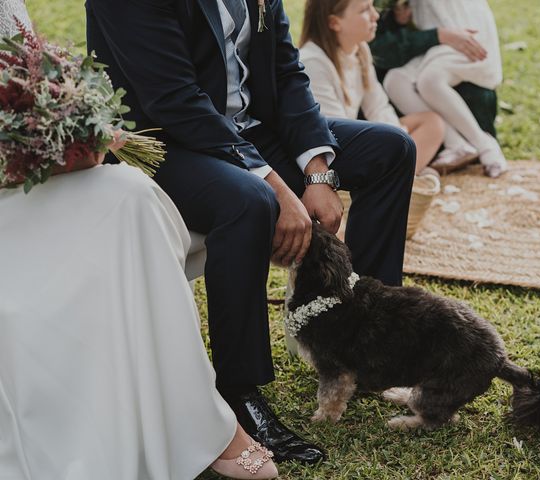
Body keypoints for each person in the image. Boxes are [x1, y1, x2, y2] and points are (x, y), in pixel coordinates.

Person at [86, 0, 416, 465]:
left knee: (391, 148)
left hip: (248, 131)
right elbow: (172, 99)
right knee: (248, 200)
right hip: (163, 143)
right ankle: (239, 391)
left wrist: (317, 172)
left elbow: (286, 70)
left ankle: (368, 346)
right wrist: (278, 186)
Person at [0, 3, 277, 478]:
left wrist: (75, 129)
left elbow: (31, 74)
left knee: (129, 193)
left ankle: (191, 415)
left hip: (31, 170)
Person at [298, 0, 444, 193]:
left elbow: (378, 107)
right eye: (365, 10)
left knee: (432, 123)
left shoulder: (359, 50)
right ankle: (400, 181)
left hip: (350, 139)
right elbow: (332, 131)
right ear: (334, 22)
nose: (375, 15)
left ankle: (402, 175)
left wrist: (400, 145)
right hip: (330, 154)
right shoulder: (313, 62)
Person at [371, 0, 507, 177]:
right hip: (436, 41)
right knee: (395, 81)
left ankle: (486, 146)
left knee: (430, 80)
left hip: (464, 32)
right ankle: (457, 144)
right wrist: (400, 14)